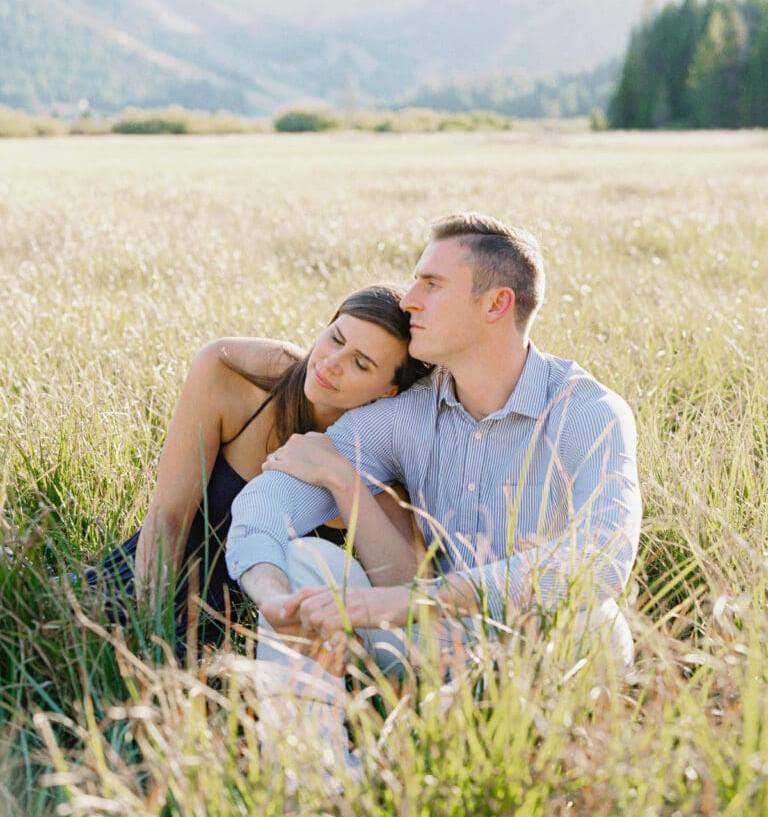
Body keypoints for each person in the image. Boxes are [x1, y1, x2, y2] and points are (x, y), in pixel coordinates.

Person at [225, 213, 642, 753]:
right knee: (307, 563)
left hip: (542, 652)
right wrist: (273, 595)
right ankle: (315, 784)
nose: (409, 301)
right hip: (430, 649)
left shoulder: (588, 412)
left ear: (497, 304)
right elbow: (269, 501)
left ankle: (542, 770)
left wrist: (410, 601)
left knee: (596, 621)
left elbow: (601, 559)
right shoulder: (406, 415)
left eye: (432, 285)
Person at [86, 285, 431, 641]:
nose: (331, 364)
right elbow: (167, 519)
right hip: (148, 585)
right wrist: (155, 636)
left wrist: (342, 479)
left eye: (360, 363)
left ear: (390, 391)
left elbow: (411, 590)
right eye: (336, 339)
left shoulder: (382, 457)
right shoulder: (235, 374)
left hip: (265, 634)